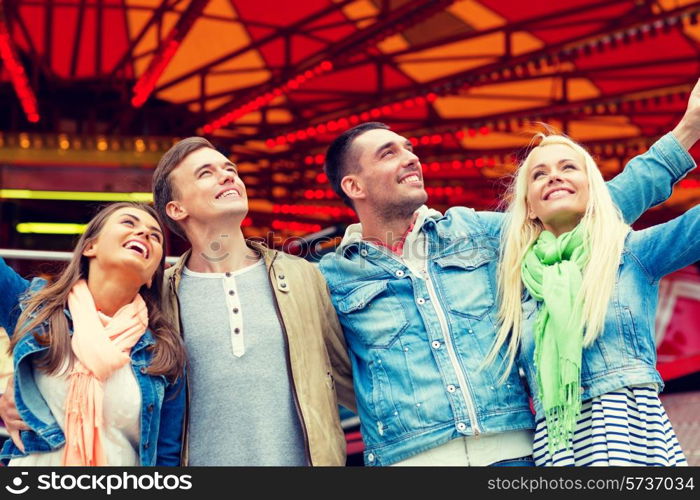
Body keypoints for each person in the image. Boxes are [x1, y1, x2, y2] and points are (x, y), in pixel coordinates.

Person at [318, 80, 700, 466]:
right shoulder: (330, 278)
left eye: (409, 149)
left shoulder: (476, 233)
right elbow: (320, 369)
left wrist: (688, 129)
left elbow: (589, 209)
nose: (410, 158)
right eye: (389, 153)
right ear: (354, 185)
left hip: (512, 455)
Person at [491, 132, 696, 466]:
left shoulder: (629, 252)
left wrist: (691, 126)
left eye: (568, 167)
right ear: (528, 207)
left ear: (593, 190)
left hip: (633, 438)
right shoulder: (517, 282)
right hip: (558, 446)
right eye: (539, 174)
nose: (554, 176)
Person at [150, 137, 354, 466]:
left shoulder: (303, 276)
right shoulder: (158, 296)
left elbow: (352, 378)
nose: (228, 175)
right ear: (177, 208)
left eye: (230, 169)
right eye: (206, 173)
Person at [0, 202, 186, 466]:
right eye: (129, 223)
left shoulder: (163, 350)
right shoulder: (34, 309)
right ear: (90, 247)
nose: (144, 233)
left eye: (155, 235)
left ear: (151, 276)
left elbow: (167, 457)